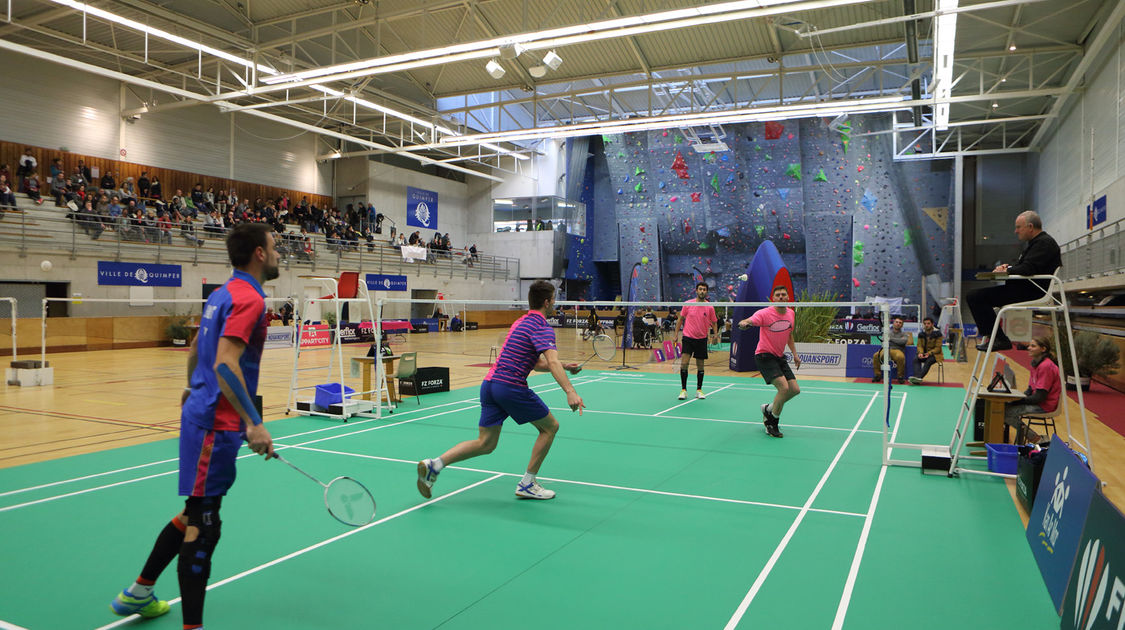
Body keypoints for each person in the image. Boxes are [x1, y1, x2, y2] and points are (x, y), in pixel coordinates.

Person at [108, 223, 280, 628]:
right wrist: (254, 423)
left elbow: (196, 348)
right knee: (205, 525)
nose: (278, 254)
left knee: (194, 510)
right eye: (274, 247)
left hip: (203, 415)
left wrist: (190, 388)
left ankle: (139, 592)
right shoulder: (250, 300)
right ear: (258, 253)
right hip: (215, 426)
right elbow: (223, 362)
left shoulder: (221, 294)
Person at [416, 280, 584, 501]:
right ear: (547, 302)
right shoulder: (542, 327)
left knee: (485, 443)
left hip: (489, 385)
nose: (555, 302)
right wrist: (570, 391)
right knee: (550, 427)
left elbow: (534, 363)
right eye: (553, 299)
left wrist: (564, 365)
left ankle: (435, 465)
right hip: (510, 386)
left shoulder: (520, 323)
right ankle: (527, 483)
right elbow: (550, 362)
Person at [967, 211, 1061, 351]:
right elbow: (1026, 266)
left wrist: (1007, 271)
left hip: (1032, 292)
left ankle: (1000, 339)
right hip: (1025, 289)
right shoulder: (1036, 243)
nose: (1015, 231)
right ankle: (996, 337)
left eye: (1018, 227)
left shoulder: (1044, 243)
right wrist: (1008, 267)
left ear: (1030, 226)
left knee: (975, 297)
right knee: (975, 296)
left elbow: (1028, 269)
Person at [738, 285, 800, 438]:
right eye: (777, 295)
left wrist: (795, 354)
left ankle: (768, 409)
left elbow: (789, 336)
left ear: (787, 297)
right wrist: (744, 323)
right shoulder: (765, 313)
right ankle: (771, 423)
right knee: (784, 388)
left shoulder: (791, 313)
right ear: (773, 298)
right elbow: (749, 320)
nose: (780, 297)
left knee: (795, 390)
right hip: (764, 356)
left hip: (779, 357)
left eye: (783, 295)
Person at [1003, 335, 1060, 444]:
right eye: (1029, 345)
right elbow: (1030, 390)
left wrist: (1018, 401)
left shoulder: (1046, 366)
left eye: (1033, 346)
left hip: (1044, 405)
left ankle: (1036, 438)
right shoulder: (1036, 364)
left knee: (1005, 412)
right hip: (1039, 402)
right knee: (1005, 406)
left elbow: (1040, 397)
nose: (1029, 348)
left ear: (1043, 349)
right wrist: (1016, 398)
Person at [674, 282, 719, 400]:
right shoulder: (688, 304)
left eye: (704, 289)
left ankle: (699, 390)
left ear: (707, 292)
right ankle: (683, 390)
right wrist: (675, 335)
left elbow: (714, 322)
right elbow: (680, 320)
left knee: (700, 365)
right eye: (700, 289)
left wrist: (715, 335)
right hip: (688, 337)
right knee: (684, 363)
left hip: (702, 339)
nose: (702, 291)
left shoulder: (709, 306)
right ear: (696, 290)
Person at [873, 317, 912, 384]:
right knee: (876, 355)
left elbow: (903, 341)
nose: (898, 324)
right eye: (896, 322)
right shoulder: (887, 332)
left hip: (897, 350)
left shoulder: (904, 334)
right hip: (886, 349)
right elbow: (883, 339)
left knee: (900, 357)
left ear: (902, 325)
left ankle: (900, 377)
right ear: (893, 323)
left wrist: (890, 339)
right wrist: (896, 340)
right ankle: (878, 375)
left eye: (900, 323)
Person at [909, 317, 944, 385]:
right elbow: (919, 346)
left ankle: (918, 377)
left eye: (928, 323)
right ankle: (917, 378)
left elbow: (938, 348)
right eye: (925, 324)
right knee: (916, 359)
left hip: (935, 355)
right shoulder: (921, 334)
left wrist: (929, 353)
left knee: (929, 361)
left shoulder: (938, 334)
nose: (926, 325)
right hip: (924, 354)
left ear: (932, 324)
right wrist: (921, 353)